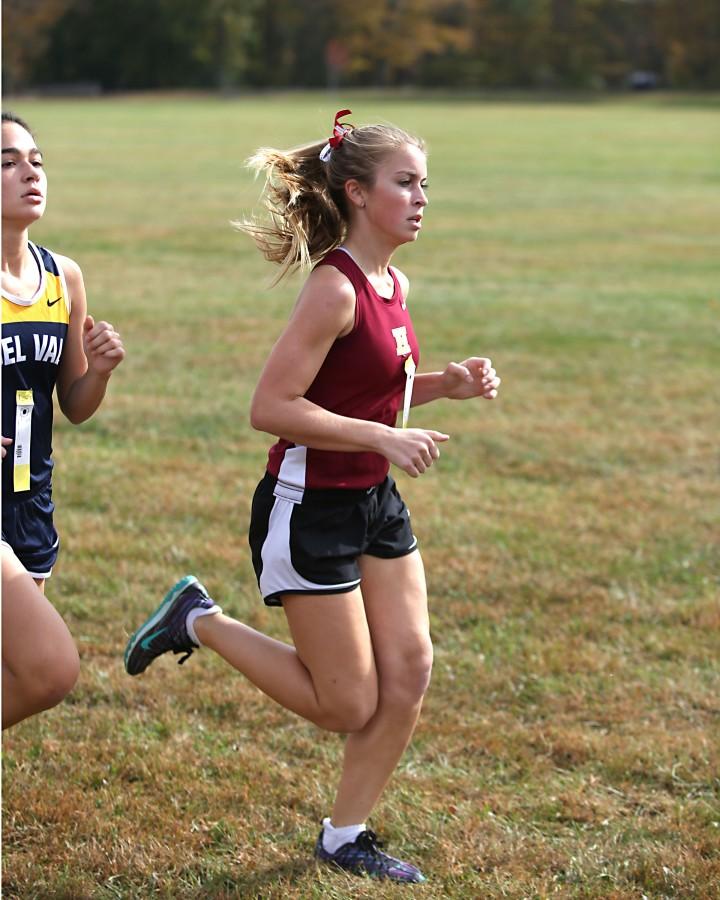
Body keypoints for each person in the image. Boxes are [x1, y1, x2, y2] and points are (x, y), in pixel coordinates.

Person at [124, 109, 500, 883]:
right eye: (406, 183)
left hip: (371, 500)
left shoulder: (395, 281)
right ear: (358, 192)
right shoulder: (334, 287)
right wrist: (383, 438)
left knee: (412, 670)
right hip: (310, 506)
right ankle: (197, 618)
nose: (422, 197)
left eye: (425, 184)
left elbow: (371, 395)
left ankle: (345, 836)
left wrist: (443, 387)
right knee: (345, 705)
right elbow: (273, 407)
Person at [2, 112, 125, 728]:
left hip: (28, 501)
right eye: (8, 162)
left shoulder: (63, 276)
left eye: (37, 159)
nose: (31, 172)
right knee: (49, 668)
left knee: (18, 671)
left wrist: (98, 370)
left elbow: (74, 404)